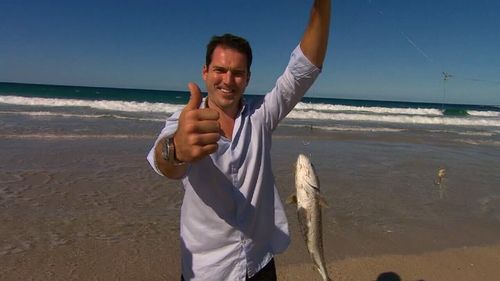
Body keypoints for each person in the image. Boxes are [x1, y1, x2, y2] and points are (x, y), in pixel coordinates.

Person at [147, 1, 331, 280]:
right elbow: (164, 164)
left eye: (237, 73)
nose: (228, 80)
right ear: (205, 72)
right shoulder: (186, 121)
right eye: (220, 70)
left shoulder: (262, 115)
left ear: (247, 79)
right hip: (207, 271)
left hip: (259, 263)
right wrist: (177, 150)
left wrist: (323, 5)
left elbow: (304, 69)